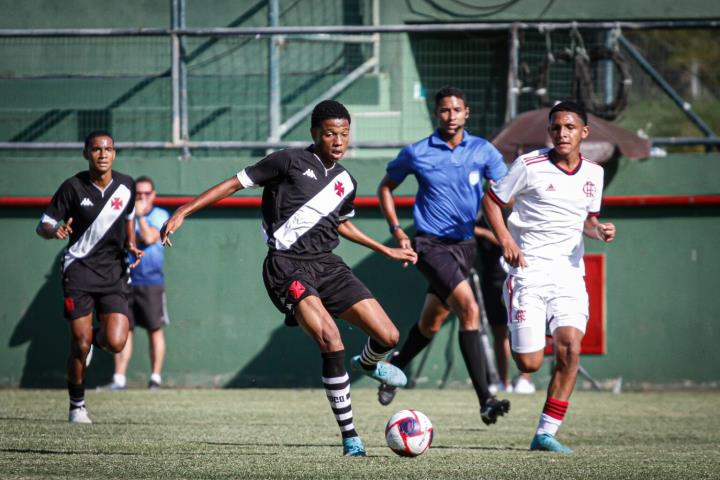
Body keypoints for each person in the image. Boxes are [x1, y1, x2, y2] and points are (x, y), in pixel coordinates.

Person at [159, 100, 417, 457]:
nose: (338, 141)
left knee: (388, 335)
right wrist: (184, 210)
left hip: (329, 265)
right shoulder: (287, 161)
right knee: (331, 338)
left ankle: (369, 363)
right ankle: (351, 438)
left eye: (344, 134)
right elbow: (235, 183)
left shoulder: (346, 181)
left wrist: (386, 250)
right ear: (315, 134)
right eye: (330, 134)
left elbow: (343, 224)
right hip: (287, 265)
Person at [482, 100, 616, 453]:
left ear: (584, 133)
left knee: (571, 347)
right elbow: (492, 201)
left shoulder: (594, 174)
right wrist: (507, 240)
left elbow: (586, 220)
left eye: (570, 127)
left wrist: (599, 229)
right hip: (528, 272)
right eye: (556, 127)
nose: (562, 133)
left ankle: (545, 433)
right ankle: (526, 319)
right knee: (530, 361)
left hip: (569, 274)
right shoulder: (529, 165)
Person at [376, 86, 511, 426]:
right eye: (445, 111)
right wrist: (397, 230)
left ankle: (394, 366)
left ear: (467, 113)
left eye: (457, 110)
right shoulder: (417, 152)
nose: (451, 117)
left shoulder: (483, 151)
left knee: (431, 322)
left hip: (464, 248)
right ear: (437, 114)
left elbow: (508, 192)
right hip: (430, 246)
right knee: (469, 308)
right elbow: (385, 188)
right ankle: (486, 399)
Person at [36, 131, 142, 423]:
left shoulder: (126, 185)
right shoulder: (72, 187)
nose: (103, 154)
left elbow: (130, 217)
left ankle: (90, 341)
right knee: (79, 344)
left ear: (115, 153)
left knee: (116, 341)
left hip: (114, 272)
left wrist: (132, 245)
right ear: (86, 154)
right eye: (96, 149)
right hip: (79, 270)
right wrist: (53, 231)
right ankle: (77, 405)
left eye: (108, 149)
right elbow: (43, 224)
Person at [103, 176, 170, 390]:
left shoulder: (161, 215)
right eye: (138, 194)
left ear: (154, 195)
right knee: (124, 330)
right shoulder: (124, 215)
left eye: (146, 193)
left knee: (154, 330)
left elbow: (150, 238)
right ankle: (119, 379)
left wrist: (140, 217)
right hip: (125, 281)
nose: (142, 197)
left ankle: (155, 379)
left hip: (151, 282)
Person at [475, 215, 536, 395]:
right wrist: (481, 231)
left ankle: (525, 379)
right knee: (499, 333)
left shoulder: (517, 214)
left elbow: (510, 242)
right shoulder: (480, 218)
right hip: (492, 283)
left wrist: (487, 233)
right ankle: (504, 381)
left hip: (517, 280)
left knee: (521, 329)